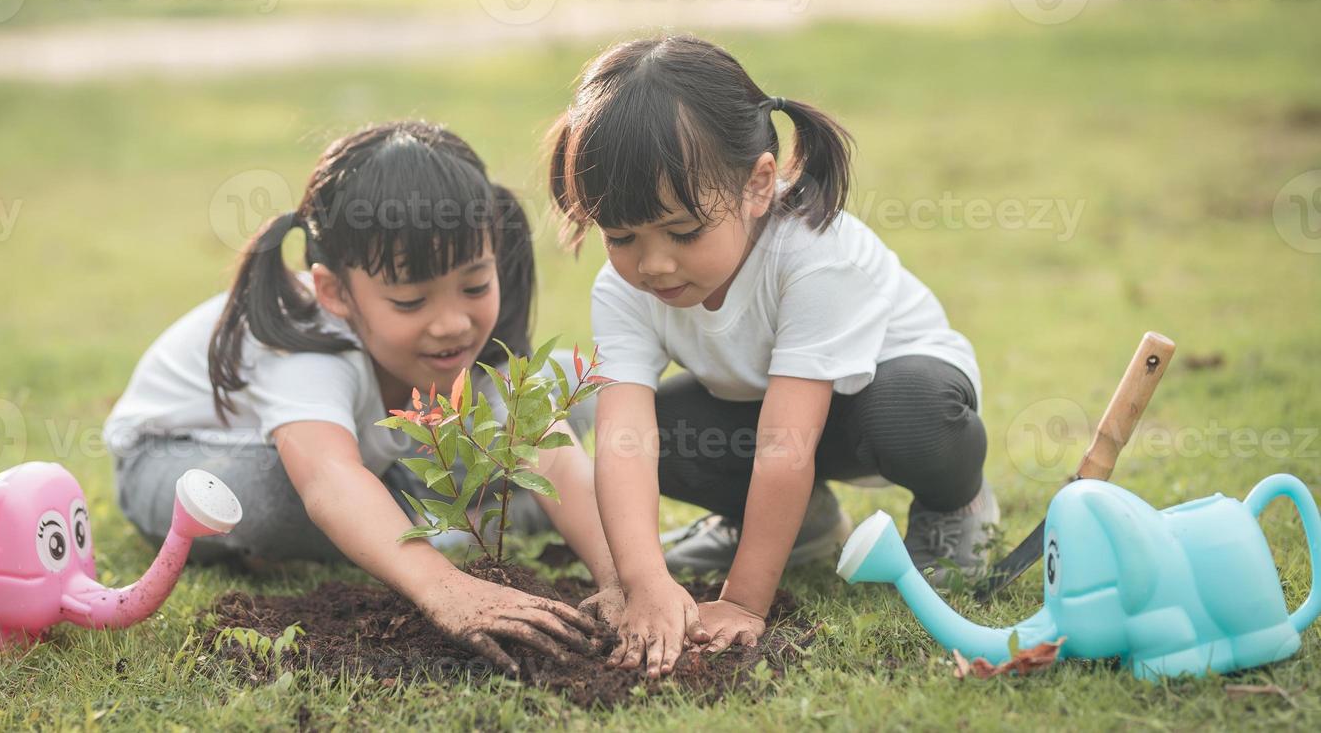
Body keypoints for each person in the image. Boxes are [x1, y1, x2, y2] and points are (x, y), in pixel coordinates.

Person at [547, 35, 994, 678]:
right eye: (622, 237)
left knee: (913, 410)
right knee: (655, 436)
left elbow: (788, 446)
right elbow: (624, 437)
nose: (654, 263)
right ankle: (805, 527)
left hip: (888, 403)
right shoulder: (624, 289)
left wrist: (743, 602)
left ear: (758, 185)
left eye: (683, 231)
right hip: (768, 416)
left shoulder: (815, 253)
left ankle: (958, 507)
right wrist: (644, 580)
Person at [102, 121, 622, 674]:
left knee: (569, 391)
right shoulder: (309, 345)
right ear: (334, 292)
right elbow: (327, 479)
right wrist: (447, 589)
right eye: (409, 301)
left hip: (375, 464)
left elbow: (549, 450)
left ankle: (444, 517)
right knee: (279, 496)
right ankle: (442, 532)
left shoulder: (452, 334)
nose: (452, 324)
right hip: (182, 463)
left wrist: (625, 579)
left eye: (474, 287)